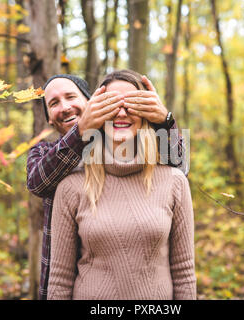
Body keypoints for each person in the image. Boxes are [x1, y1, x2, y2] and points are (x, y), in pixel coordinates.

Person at [26, 73, 189, 300]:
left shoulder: (122, 142)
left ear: (91, 101)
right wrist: (81, 131)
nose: (64, 107)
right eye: (53, 103)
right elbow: (36, 183)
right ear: (49, 119)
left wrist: (165, 121)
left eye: (71, 97)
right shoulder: (45, 153)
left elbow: (180, 168)